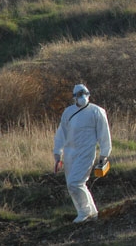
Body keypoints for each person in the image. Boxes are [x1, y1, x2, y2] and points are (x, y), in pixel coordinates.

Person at [53, 83, 112, 223]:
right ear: (74, 97)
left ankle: (85, 212)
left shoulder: (97, 111)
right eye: (79, 94)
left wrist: (104, 154)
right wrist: (57, 153)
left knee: (76, 182)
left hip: (86, 151)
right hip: (69, 152)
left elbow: (104, 135)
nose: (82, 96)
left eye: (84, 93)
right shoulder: (68, 112)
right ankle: (90, 212)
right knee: (71, 185)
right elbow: (61, 134)